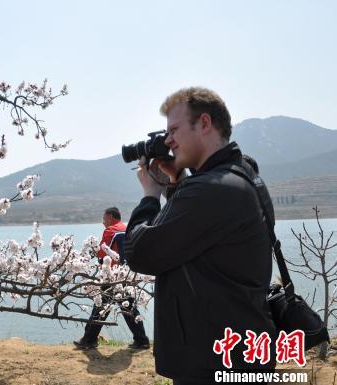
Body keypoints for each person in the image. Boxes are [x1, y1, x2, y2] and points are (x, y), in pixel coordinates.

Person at [124, 87, 276, 384]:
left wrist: (150, 197)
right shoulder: (239, 175)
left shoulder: (212, 188)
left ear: (204, 124)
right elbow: (192, 238)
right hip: (235, 353)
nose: (167, 141)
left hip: (214, 362)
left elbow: (139, 252)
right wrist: (176, 181)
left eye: (174, 130)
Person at [73, 207, 150, 350]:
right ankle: (142, 340)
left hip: (112, 276)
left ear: (109, 216)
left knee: (101, 306)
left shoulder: (110, 231)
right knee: (129, 307)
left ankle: (89, 339)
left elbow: (103, 255)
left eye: (104, 218)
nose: (103, 221)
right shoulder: (127, 229)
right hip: (127, 275)